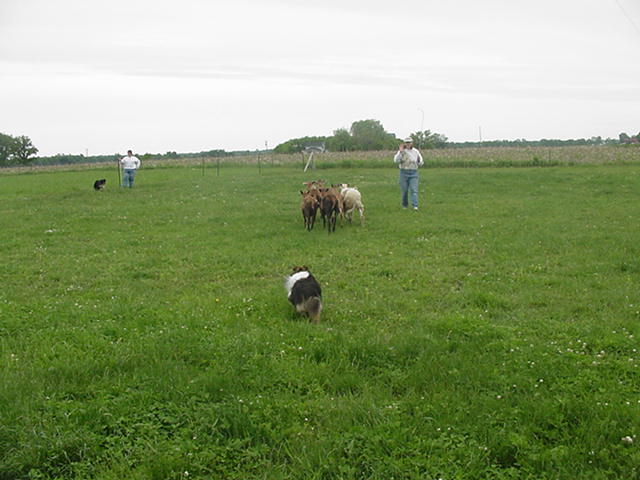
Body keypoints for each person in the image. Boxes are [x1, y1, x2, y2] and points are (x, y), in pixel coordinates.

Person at [393, 137, 424, 210]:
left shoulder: (416, 151)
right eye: (406, 142)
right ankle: (405, 205)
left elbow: (421, 162)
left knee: (414, 190)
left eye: (409, 142)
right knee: (404, 190)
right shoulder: (401, 151)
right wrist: (400, 152)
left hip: (413, 172)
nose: (408, 144)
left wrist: (419, 161)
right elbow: (396, 160)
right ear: (404, 143)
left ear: (412, 143)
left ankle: (415, 205)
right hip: (403, 172)